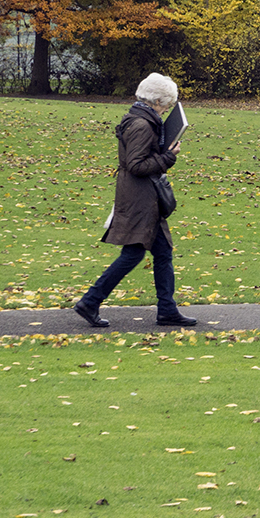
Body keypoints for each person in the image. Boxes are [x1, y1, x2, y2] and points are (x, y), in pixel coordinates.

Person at [74, 73, 197, 328]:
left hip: (144, 195)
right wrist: (168, 158)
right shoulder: (141, 125)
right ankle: (90, 301)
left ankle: (167, 309)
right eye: (165, 105)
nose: (165, 110)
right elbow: (136, 165)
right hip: (140, 196)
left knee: (162, 252)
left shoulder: (143, 119)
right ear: (156, 101)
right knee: (133, 254)